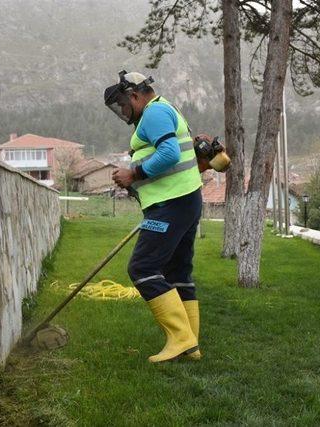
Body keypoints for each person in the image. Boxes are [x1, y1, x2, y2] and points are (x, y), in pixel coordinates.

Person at [104, 70, 210, 362]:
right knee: (177, 272)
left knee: (143, 268)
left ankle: (180, 338)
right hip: (183, 200)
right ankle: (192, 345)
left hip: (170, 204)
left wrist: (133, 173)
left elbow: (169, 155)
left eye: (123, 105)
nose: (123, 112)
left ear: (135, 95)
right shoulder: (165, 109)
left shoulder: (154, 113)